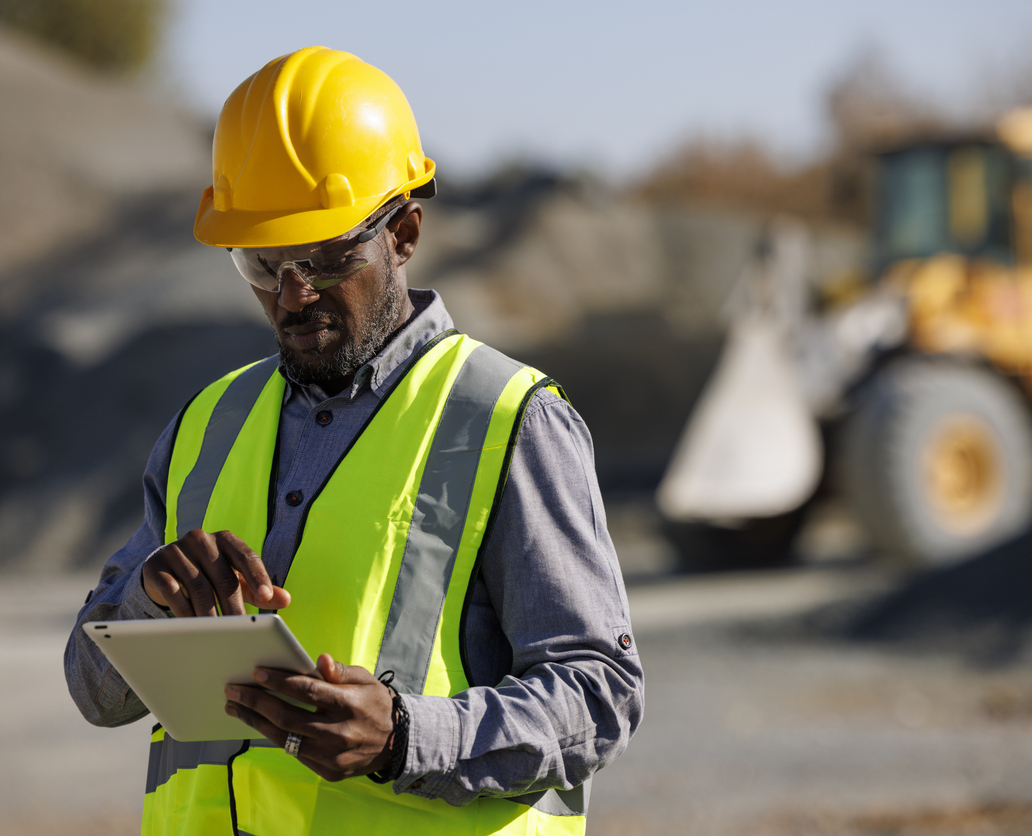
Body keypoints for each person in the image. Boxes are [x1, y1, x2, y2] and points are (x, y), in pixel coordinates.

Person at [65, 46, 643, 836]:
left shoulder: (508, 420)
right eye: (261, 264)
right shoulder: (206, 425)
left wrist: (404, 737)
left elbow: (598, 692)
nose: (293, 295)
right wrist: (147, 602)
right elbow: (95, 694)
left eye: (327, 257)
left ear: (403, 233)